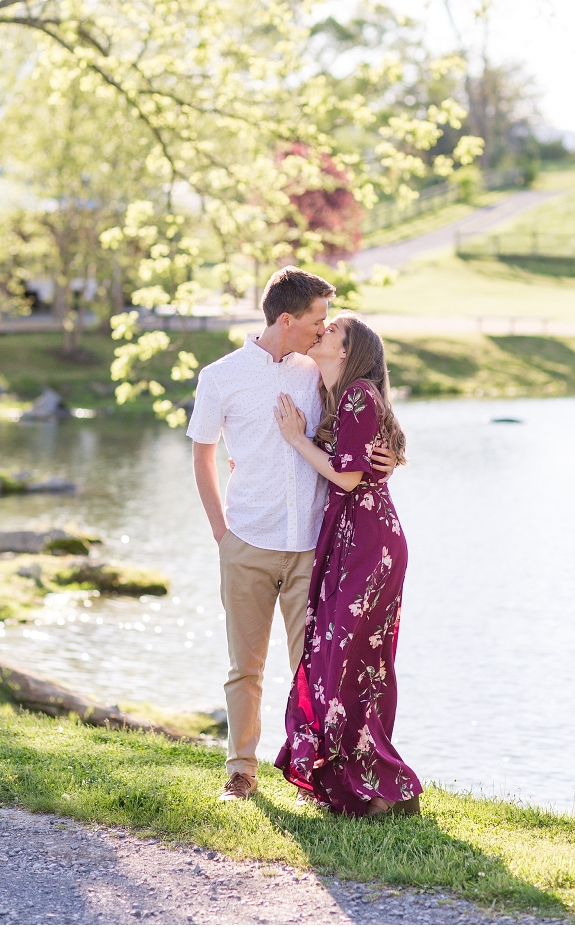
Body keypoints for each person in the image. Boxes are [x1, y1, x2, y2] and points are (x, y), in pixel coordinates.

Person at [188, 267, 396, 803]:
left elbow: (369, 418)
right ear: (288, 319)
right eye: (317, 320)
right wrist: (221, 532)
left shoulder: (317, 369)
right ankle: (241, 772)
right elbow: (202, 454)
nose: (323, 330)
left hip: (313, 546)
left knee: (317, 667)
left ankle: (316, 775)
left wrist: (391, 455)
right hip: (247, 542)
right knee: (245, 667)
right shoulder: (220, 377)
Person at [273, 313, 422, 817]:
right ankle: (371, 786)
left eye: (332, 329)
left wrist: (297, 439)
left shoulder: (357, 393)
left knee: (347, 664)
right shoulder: (347, 397)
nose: (323, 332)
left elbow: (347, 478)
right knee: (351, 663)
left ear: (348, 349)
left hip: (368, 545)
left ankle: (374, 783)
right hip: (356, 542)